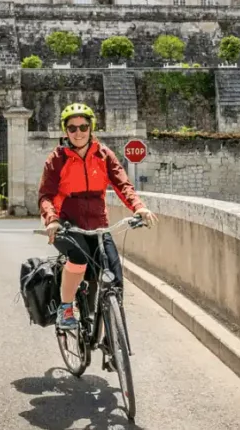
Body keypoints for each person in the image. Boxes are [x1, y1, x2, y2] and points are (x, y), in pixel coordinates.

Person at [39, 103, 157, 331]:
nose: (78, 132)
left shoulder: (103, 155)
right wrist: (52, 219)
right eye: (72, 128)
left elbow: (123, 185)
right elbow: (46, 195)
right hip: (66, 224)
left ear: (91, 127)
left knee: (115, 276)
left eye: (83, 126)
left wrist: (138, 207)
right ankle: (65, 308)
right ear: (66, 131)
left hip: (98, 225)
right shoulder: (58, 158)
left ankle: (112, 336)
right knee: (79, 259)